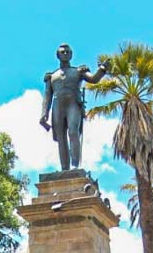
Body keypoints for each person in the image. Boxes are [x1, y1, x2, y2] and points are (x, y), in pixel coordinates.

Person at [39, 43, 110, 171]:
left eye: (67, 52)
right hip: (57, 105)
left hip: (73, 104)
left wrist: (102, 69)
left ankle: (74, 165)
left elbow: (94, 79)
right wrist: (44, 113)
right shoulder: (51, 76)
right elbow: (47, 96)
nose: (65, 54)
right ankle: (64, 168)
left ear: (71, 55)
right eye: (62, 52)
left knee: (73, 132)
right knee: (61, 137)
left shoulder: (78, 71)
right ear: (58, 55)